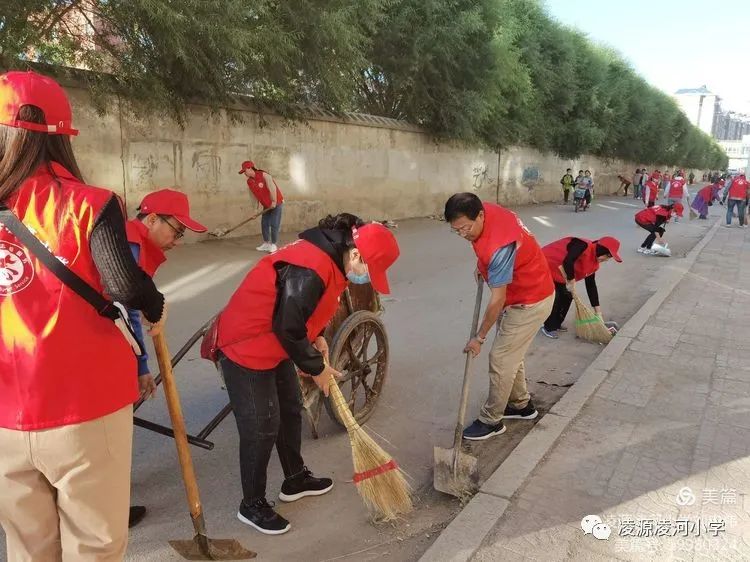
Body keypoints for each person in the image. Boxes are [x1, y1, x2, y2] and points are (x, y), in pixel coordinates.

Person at [0, 71, 165, 560]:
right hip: (84, 408)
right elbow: (125, 287)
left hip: (7, 414)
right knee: (93, 545)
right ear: (61, 137)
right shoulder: (91, 204)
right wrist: (154, 307)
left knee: (28, 547)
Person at [214, 214, 399, 534]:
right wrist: (318, 369)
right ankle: (252, 504)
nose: (367, 277)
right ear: (356, 254)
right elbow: (287, 324)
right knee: (262, 427)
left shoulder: (332, 259)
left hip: (278, 344)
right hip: (248, 345)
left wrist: (318, 336)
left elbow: (302, 312)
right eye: (369, 269)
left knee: (289, 410)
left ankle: (295, 478)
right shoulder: (312, 266)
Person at [124, 188, 206, 527]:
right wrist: (141, 366)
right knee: (104, 435)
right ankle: (107, 505)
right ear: (152, 218)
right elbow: (126, 312)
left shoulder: (134, 242)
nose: (178, 239)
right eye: (177, 229)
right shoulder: (129, 245)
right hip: (91, 354)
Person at [444, 193, 554, 441]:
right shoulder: (486, 211)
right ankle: (520, 405)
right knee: (511, 355)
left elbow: (497, 300)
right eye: (456, 230)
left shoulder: (499, 248)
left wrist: (479, 337)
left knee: (501, 358)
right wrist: (483, 267)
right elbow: (489, 253)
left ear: (480, 215)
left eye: (465, 228)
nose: (462, 234)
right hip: (527, 290)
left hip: (530, 300)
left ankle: (492, 420)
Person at [541, 236, 622, 338]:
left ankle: (556, 324)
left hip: (560, 273)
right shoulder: (583, 245)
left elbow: (591, 286)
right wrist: (571, 280)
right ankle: (548, 327)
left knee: (568, 296)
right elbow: (568, 261)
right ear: (601, 250)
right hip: (545, 264)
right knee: (556, 298)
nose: (605, 260)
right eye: (607, 256)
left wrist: (598, 313)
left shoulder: (594, 264)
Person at [239, 160, 284, 253]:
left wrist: (274, 201)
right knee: (264, 223)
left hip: (277, 202)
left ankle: (274, 244)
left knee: (274, 224)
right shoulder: (250, 181)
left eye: (245, 171)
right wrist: (255, 211)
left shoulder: (264, 175)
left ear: (250, 168)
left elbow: (272, 188)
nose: (244, 173)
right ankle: (266, 243)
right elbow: (253, 196)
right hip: (266, 205)